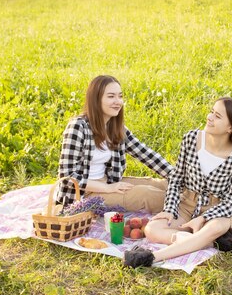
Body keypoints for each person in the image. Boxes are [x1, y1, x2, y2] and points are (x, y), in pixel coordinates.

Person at [123, 97, 232, 267]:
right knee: (151, 229)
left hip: (216, 211)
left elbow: (231, 203)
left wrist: (202, 218)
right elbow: (176, 178)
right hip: (186, 204)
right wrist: (170, 210)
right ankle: (207, 241)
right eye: (211, 112)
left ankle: (151, 257)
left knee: (215, 227)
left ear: (231, 127)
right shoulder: (191, 139)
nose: (210, 117)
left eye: (217, 116)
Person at [55, 75, 173, 213]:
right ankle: (191, 208)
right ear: (96, 100)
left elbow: (147, 155)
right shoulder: (78, 126)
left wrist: (177, 177)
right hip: (83, 195)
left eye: (120, 96)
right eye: (111, 96)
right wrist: (108, 189)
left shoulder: (115, 128)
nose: (118, 102)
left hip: (108, 182)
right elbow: (67, 177)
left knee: (164, 185)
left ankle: (197, 199)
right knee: (147, 195)